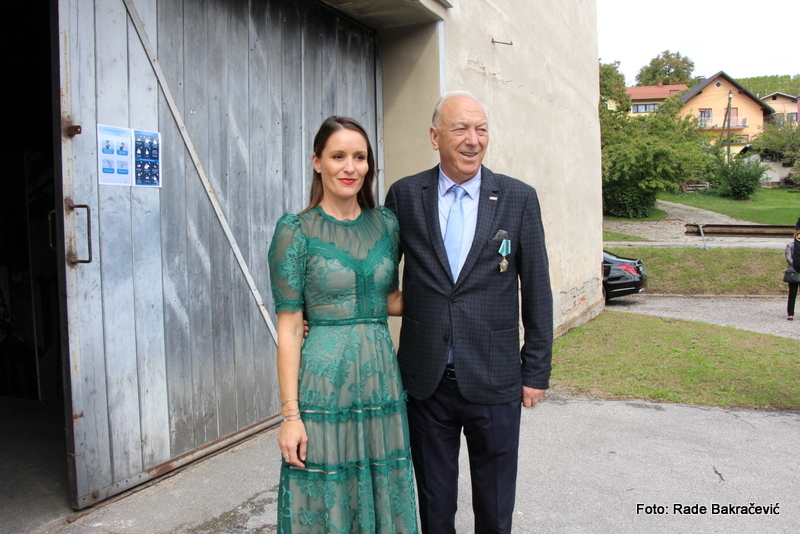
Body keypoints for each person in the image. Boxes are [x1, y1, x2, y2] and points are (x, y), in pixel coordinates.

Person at [384, 91, 553, 533]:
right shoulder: (405, 195)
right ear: (435, 136)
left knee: (495, 509)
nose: (473, 140)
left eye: (481, 129)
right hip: (426, 381)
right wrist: (330, 308)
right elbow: (377, 274)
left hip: (495, 378)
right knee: (435, 507)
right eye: (460, 129)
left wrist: (536, 370)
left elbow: (537, 289)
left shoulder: (518, 197)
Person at [268, 116, 418, 533]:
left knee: (383, 491)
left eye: (359, 157)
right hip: (324, 389)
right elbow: (290, 328)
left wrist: (460, 291)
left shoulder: (386, 224)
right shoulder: (296, 231)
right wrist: (290, 416)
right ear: (317, 162)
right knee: (327, 496)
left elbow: (389, 299)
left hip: (381, 385)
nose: (350, 167)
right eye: (338, 156)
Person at [784, 217, 800, 320]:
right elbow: (788, 258)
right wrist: (796, 264)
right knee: (792, 294)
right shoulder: (790, 245)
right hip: (793, 271)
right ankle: (790, 313)